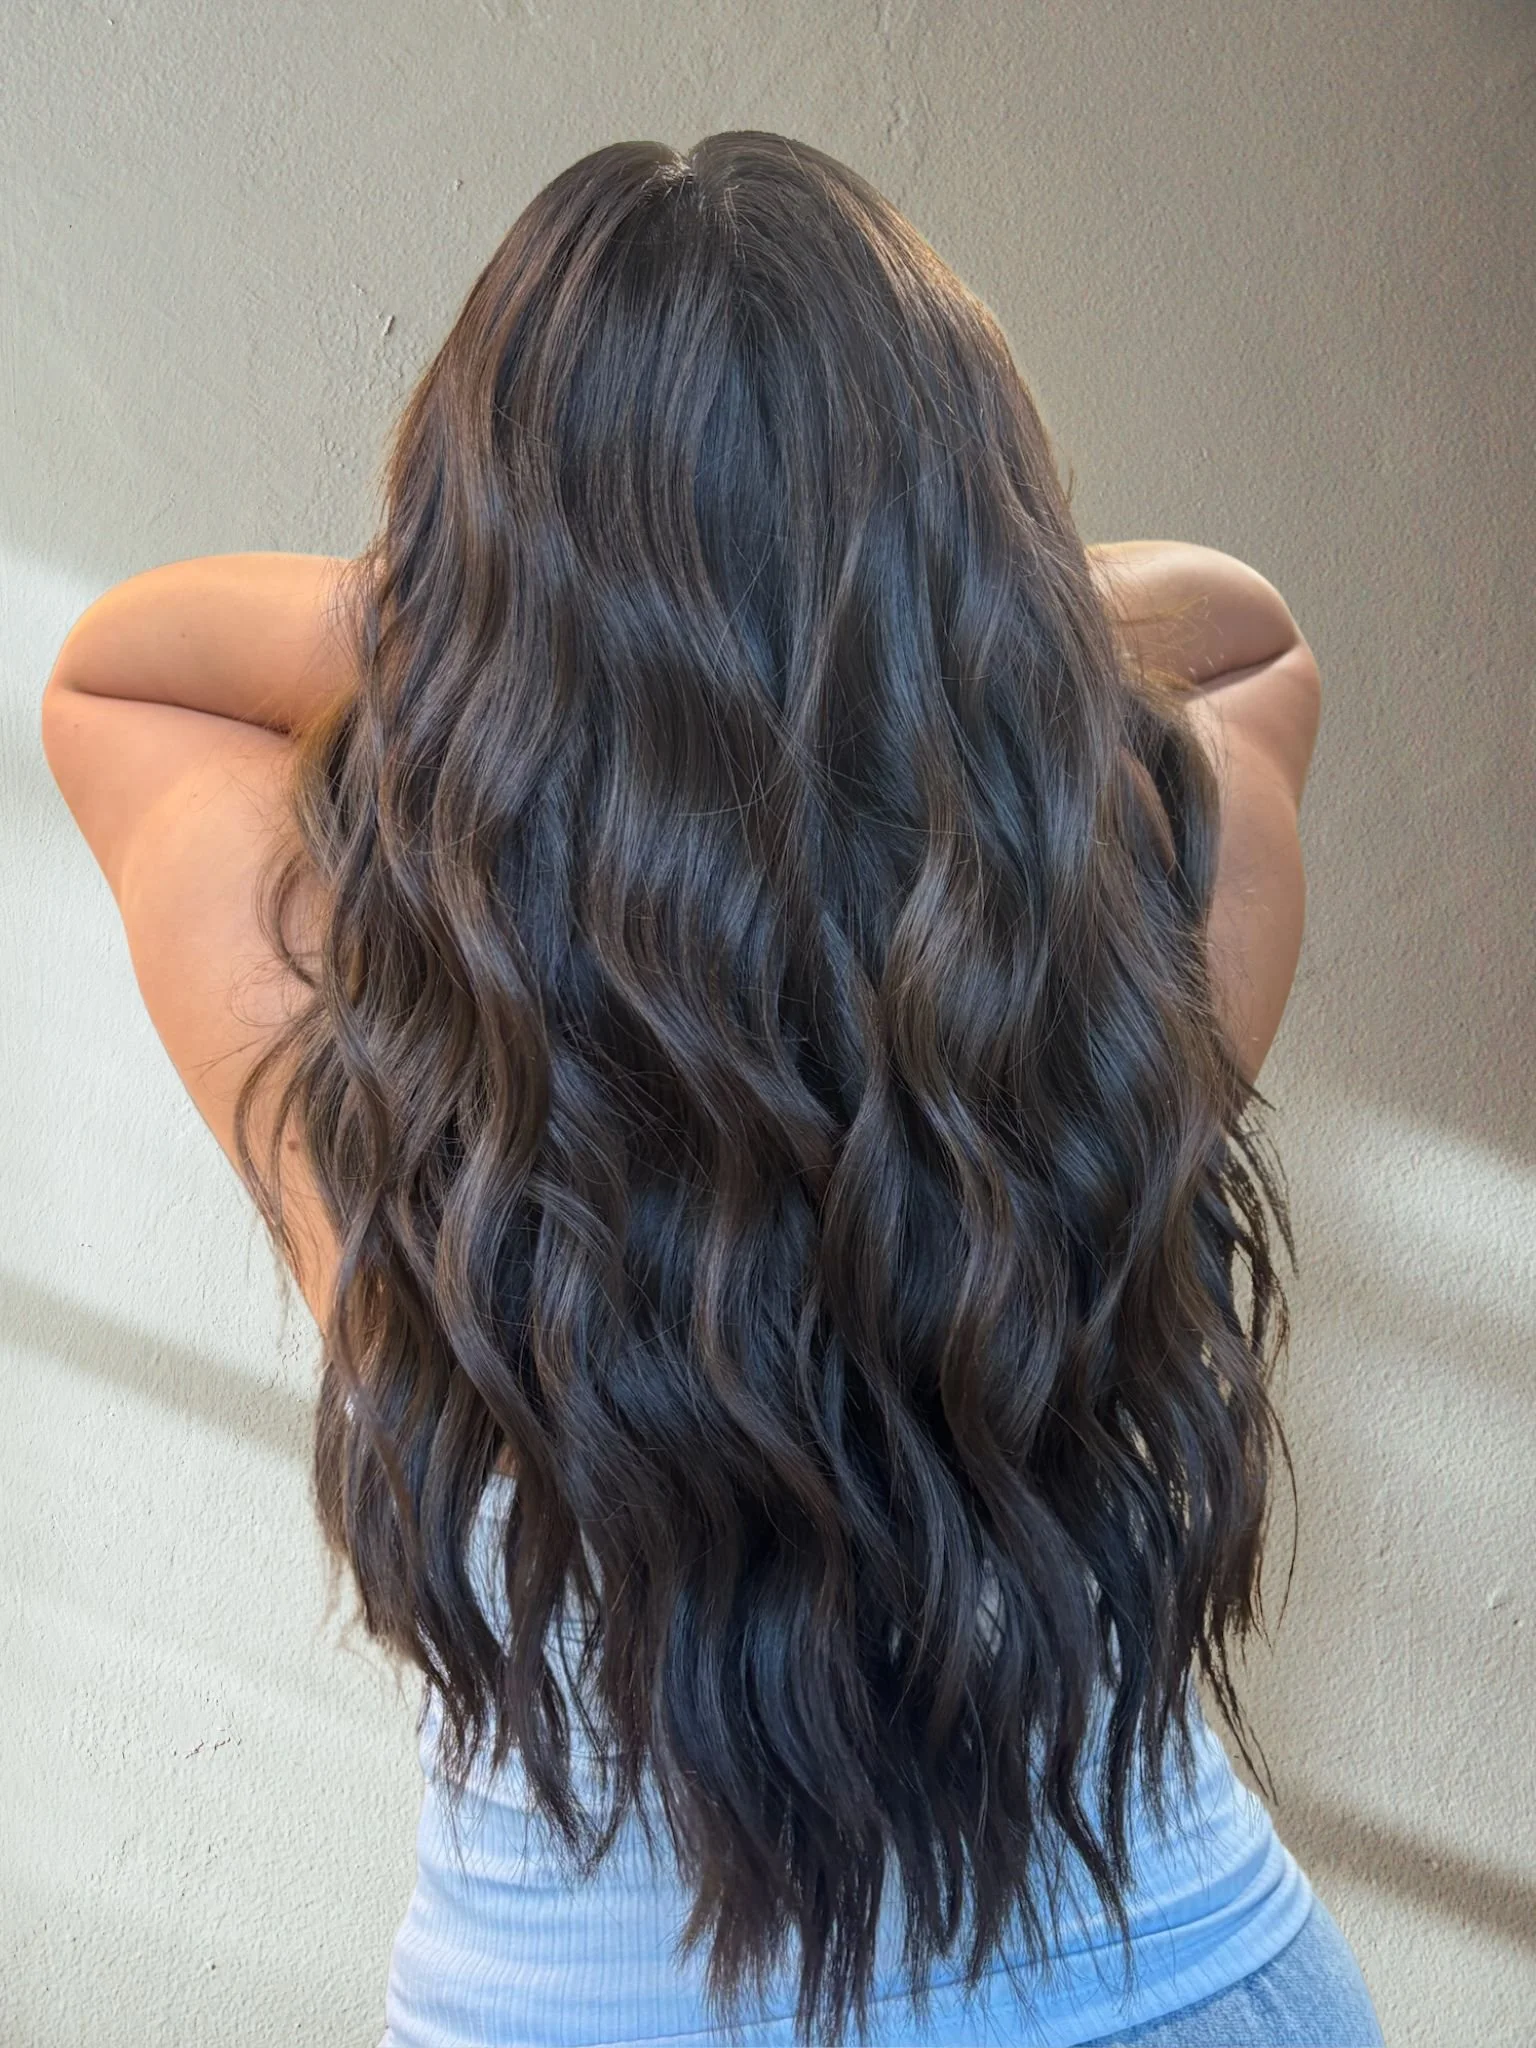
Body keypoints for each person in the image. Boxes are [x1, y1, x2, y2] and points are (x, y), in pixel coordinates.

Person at [40, 132, 1386, 2047]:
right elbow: (1247, 635)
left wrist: (533, 625)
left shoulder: (393, 1081)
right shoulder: (1112, 981)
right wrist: (921, 612)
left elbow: (119, 669)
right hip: (1192, 1983)